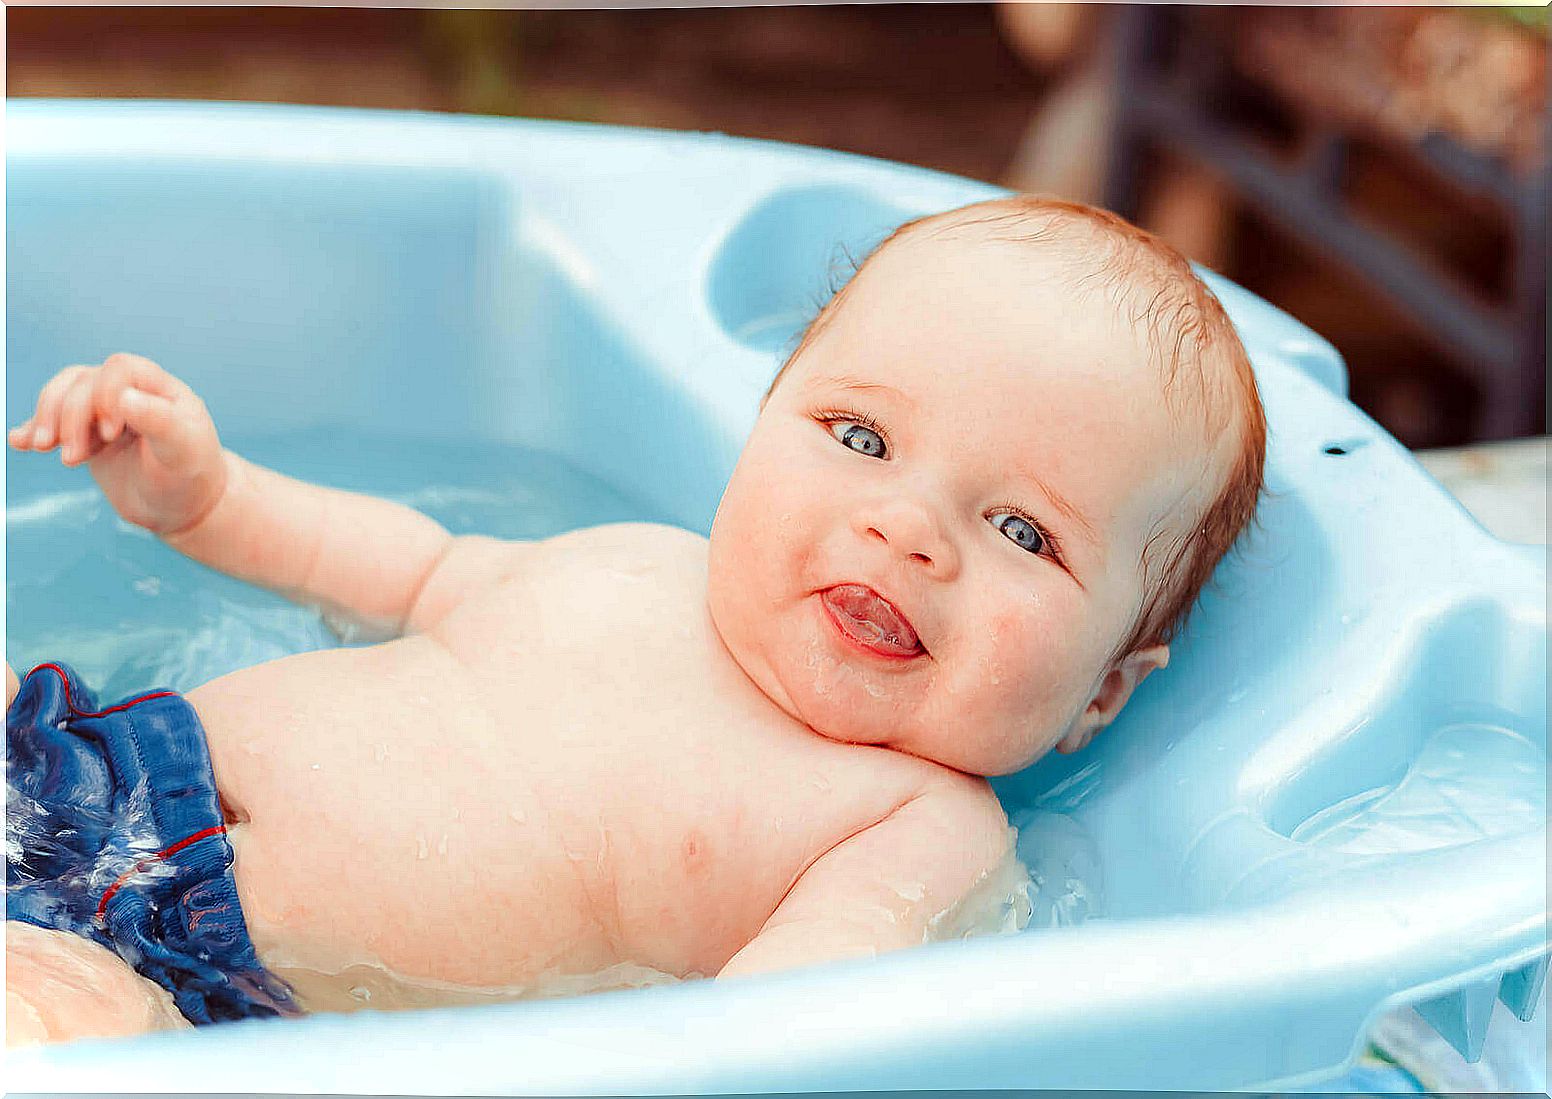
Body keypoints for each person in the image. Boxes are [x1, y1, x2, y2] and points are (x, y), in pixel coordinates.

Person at [5, 194, 1266, 1045]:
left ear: (1104, 689)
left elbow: (767, 1034)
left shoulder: (913, 823)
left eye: (1023, 531)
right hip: (99, 753)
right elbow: (400, 565)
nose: (911, 527)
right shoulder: (639, 564)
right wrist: (207, 496)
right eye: (863, 438)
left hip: (180, 972)